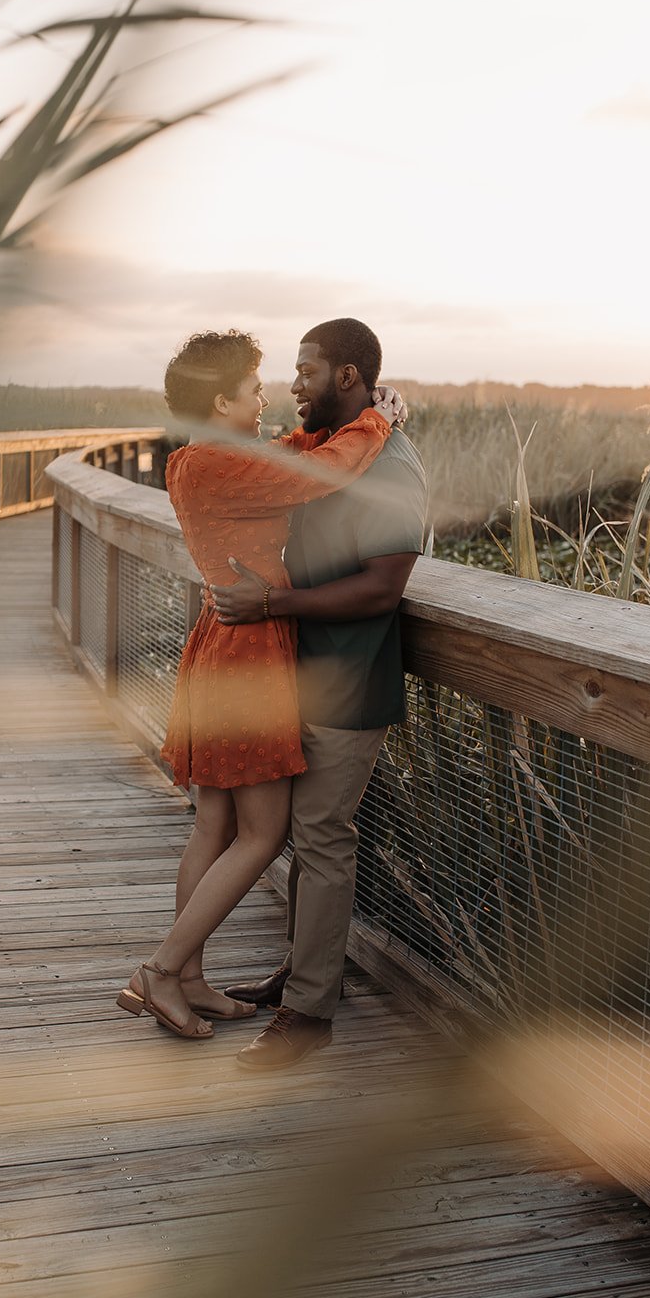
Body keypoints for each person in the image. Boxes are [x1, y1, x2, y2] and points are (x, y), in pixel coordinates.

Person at [116, 329, 404, 1041]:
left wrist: (341, 430)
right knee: (263, 831)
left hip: (219, 648)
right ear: (221, 400)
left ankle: (188, 980)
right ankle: (160, 970)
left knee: (213, 824)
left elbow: (293, 455)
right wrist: (380, 421)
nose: (266, 399)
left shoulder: (200, 460)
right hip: (247, 657)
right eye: (253, 390)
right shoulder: (219, 465)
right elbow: (326, 471)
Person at [212, 318, 427, 1071]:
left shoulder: (392, 467)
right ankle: (304, 972)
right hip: (296, 672)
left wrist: (268, 608)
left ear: (346, 377)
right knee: (306, 836)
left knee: (324, 837)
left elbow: (380, 587)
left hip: (348, 680)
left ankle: (308, 1015)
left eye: (304, 370)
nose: (292, 384)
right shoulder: (326, 449)